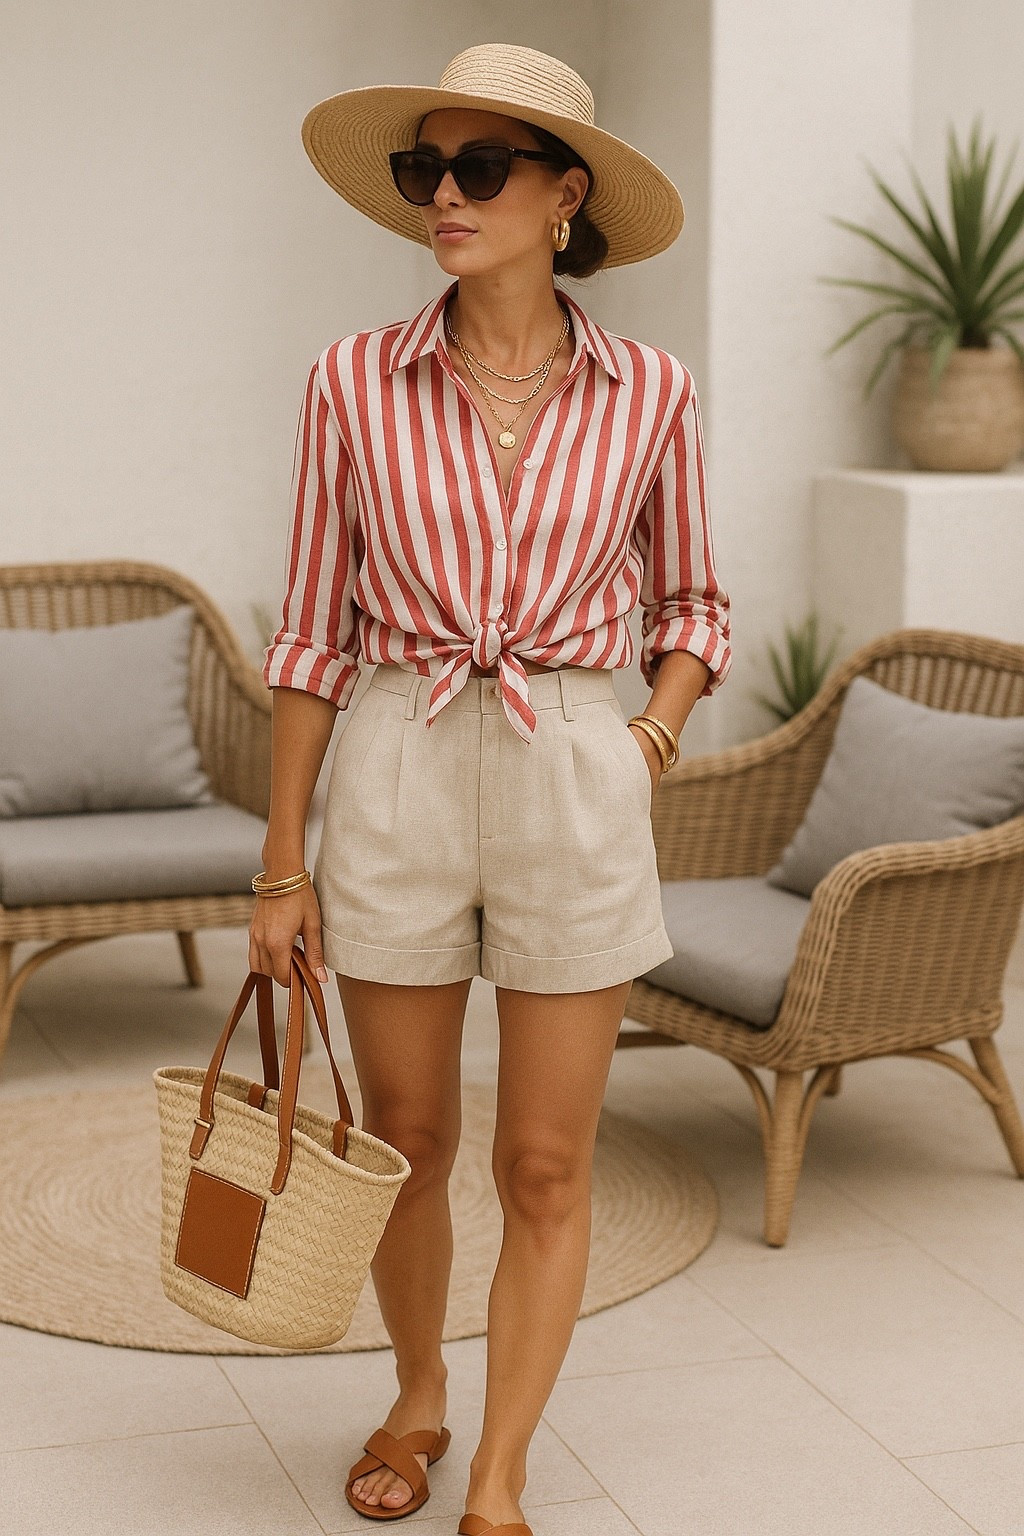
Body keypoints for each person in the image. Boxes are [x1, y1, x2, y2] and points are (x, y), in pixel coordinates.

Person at [251, 41, 731, 1536]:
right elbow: (313, 630)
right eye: (423, 172)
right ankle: (415, 1392)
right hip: (397, 750)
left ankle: (505, 1470)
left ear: (564, 197)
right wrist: (282, 864)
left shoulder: (651, 391)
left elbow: (700, 606)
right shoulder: (351, 382)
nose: (441, 199)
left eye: (477, 170)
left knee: (541, 1156)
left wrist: (639, 742)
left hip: (574, 762)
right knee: (407, 1136)